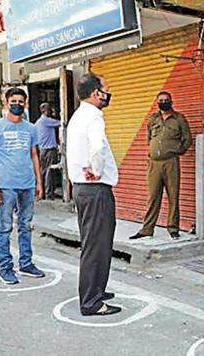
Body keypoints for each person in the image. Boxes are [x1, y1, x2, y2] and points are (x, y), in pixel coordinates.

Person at [67, 73, 121, 316]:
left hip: (82, 189)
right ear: (95, 93)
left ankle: (96, 289)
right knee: (96, 245)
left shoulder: (78, 115)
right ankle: (91, 301)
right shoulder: (94, 116)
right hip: (95, 190)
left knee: (94, 243)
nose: (108, 92)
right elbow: (97, 147)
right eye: (105, 88)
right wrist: (97, 170)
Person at [0, 87, 45, 285]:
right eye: (14, 101)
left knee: (25, 226)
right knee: (5, 227)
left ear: (26, 104)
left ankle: (26, 263)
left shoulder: (30, 128)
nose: (17, 105)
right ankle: (5, 268)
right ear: (5, 103)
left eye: (21, 101)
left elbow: (34, 155)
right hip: (6, 186)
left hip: (27, 184)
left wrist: (39, 182)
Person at [129, 92, 192, 240]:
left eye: (166, 100)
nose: (163, 102)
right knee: (153, 197)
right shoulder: (153, 119)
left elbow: (187, 139)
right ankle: (147, 229)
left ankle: (173, 228)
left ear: (171, 101)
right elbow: (149, 138)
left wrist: (177, 151)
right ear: (157, 103)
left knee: (173, 196)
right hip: (154, 164)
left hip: (171, 162)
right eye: (161, 101)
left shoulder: (179, 119)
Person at [34, 103, 61, 199]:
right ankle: (49, 193)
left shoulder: (37, 123)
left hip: (42, 149)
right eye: (49, 110)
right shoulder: (47, 121)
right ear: (45, 111)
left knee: (44, 171)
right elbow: (61, 122)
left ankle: (43, 192)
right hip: (49, 149)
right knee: (50, 171)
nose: (51, 111)